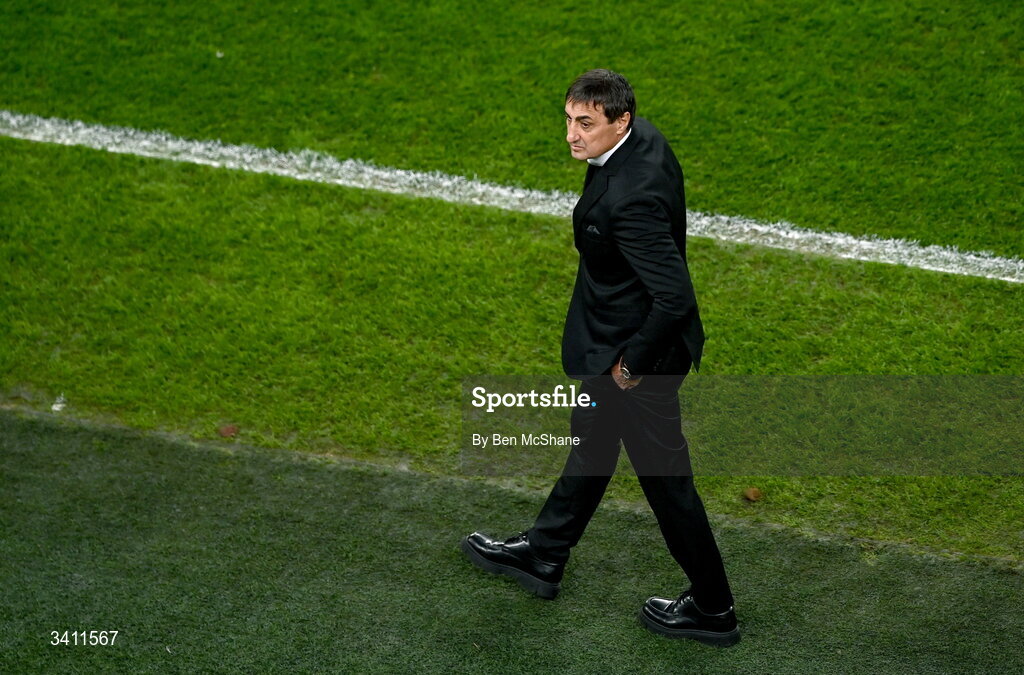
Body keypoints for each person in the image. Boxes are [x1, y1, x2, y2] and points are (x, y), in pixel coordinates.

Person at [461, 69, 739, 647]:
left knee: (666, 483)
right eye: (568, 119)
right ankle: (545, 551)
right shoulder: (643, 141)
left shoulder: (629, 199)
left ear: (621, 121)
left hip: (635, 361)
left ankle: (713, 606)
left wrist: (630, 366)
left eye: (585, 124)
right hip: (619, 341)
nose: (570, 135)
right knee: (590, 441)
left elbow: (674, 296)